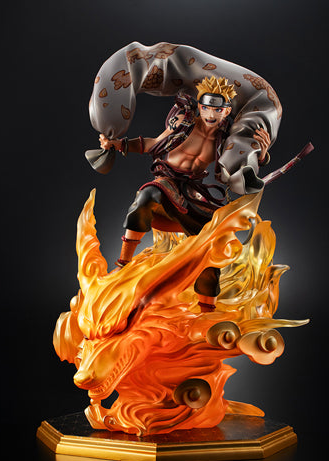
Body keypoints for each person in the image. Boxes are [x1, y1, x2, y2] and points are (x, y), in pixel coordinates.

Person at [99, 76, 270, 312]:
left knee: (210, 247)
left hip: (193, 191)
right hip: (168, 179)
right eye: (206, 107)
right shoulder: (183, 123)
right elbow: (153, 144)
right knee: (148, 195)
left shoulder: (228, 138)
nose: (211, 114)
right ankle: (123, 263)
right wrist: (117, 145)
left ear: (227, 111)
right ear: (200, 106)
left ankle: (207, 311)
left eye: (218, 109)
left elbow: (240, 169)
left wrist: (261, 154)